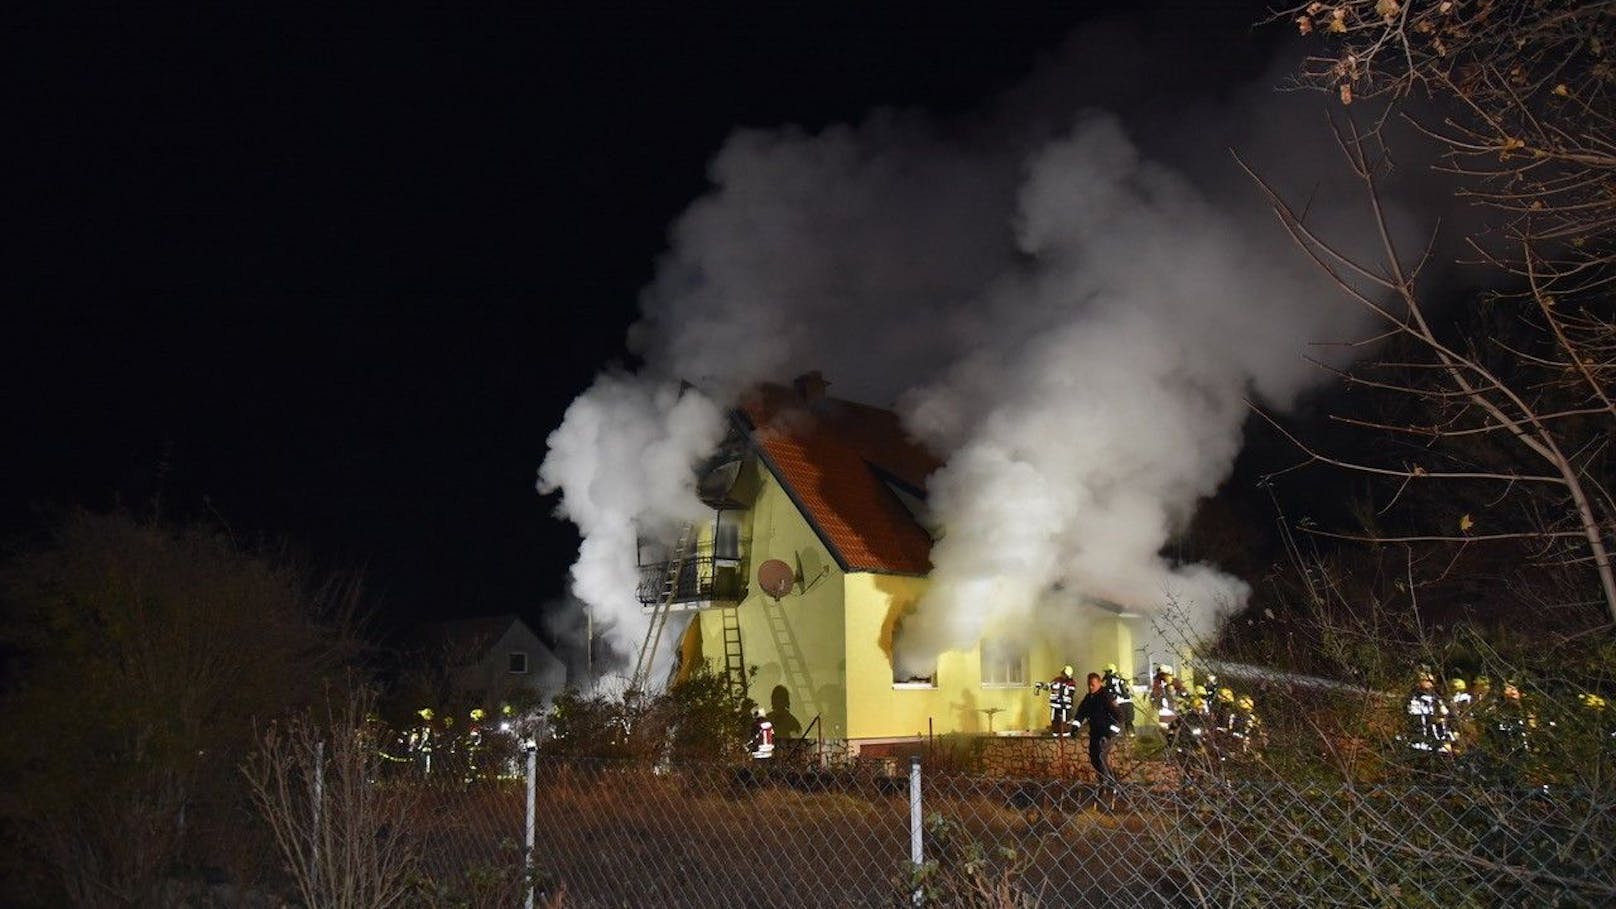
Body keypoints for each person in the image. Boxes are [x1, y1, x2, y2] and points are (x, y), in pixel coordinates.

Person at [1072, 672, 1123, 786]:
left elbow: (1119, 716)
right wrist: (1075, 727)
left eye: (1093, 685)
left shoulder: (1106, 696)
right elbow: (1081, 713)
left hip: (1106, 734)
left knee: (1100, 757)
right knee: (1094, 758)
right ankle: (1105, 781)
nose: (1090, 687)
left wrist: (1111, 733)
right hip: (1095, 733)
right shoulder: (1089, 698)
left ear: (1099, 683)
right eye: (1089, 685)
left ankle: (1108, 782)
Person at [1040, 665, 1078, 737]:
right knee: (1053, 718)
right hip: (1054, 705)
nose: (1062, 675)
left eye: (1064, 674)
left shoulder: (1071, 683)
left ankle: (1065, 734)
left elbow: (1070, 693)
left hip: (1064, 706)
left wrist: (1060, 690)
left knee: (1064, 720)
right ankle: (1055, 733)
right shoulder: (1056, 680)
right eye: (1062, 673)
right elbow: (1049, 686)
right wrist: (1042, 685)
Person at [1102, 663, 1135, 737]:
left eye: (1106, 672)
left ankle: (1116, 738)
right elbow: (1130, 691)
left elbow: (1108, 692)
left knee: (1116, 722)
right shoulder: (1121, 679)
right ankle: (1132, 738)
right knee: (1129, 722)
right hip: (1129, 703)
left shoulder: (1109, 680)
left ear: (1109, 671)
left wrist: (1112, 701)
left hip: (1119, 703)